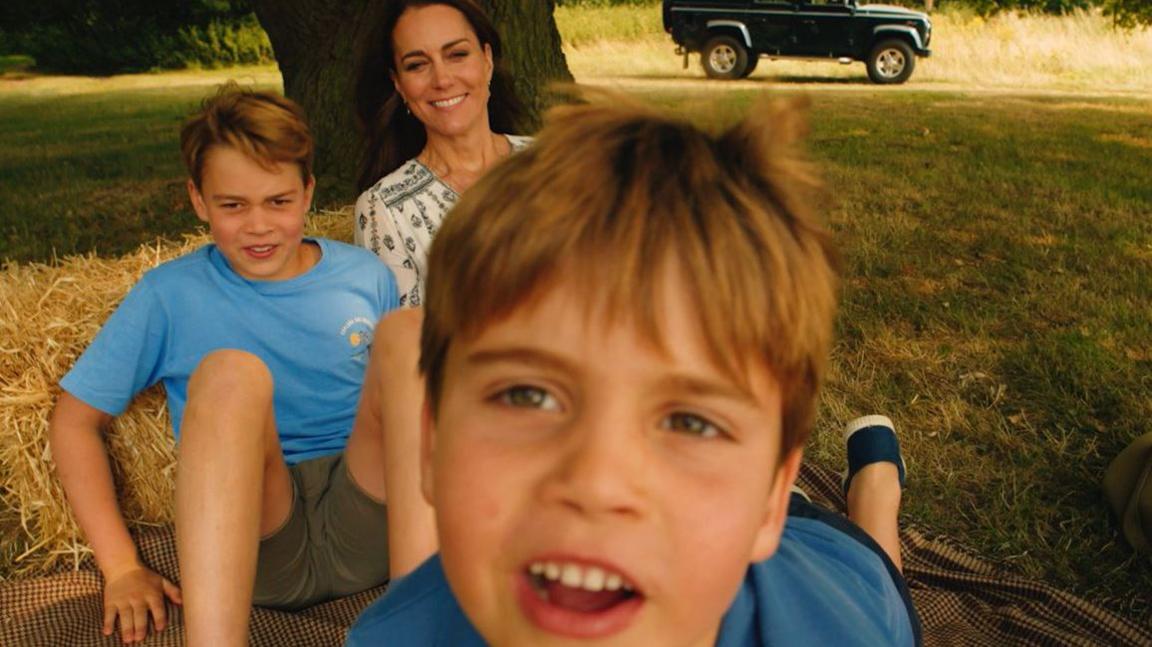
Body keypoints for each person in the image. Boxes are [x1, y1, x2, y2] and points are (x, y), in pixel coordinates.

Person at [346, 94, 922, 645]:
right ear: (429, 444)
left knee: (876, 560)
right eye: (526, 395)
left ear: (770, 498)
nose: (597, 484)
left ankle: (874, 495)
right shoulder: (388, 636)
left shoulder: (846, 630)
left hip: (842, 569)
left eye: (691, 421)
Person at [48, 85, 401, 646]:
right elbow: (73, 422)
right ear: (198, 200)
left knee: (409, 337)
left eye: (278, 201)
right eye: (233, 205)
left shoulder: (364, 276)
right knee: (232, 372)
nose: (258, 226)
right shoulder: (168, 295)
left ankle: (431, 607)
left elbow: (403, 409)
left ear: (308, 192)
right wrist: (120, 566)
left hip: (374, 523)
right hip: (258, 539)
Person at [352, 0, 530, 308]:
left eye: (457, 55)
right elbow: (405, 345)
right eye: (417, 65)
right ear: (399, 84)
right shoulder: (384, 209)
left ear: (487, 61)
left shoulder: (556, 161)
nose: (442, 79)